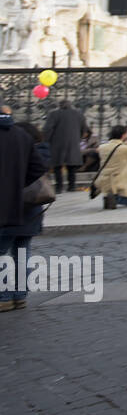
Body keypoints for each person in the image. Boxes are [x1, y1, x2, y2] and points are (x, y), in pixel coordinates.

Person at [0, 116, 48, 313]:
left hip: (4, 209)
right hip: (29, 209)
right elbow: (38, 168)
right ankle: (20, 296)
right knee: (23, 253)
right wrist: (19, 183)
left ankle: (3, 297)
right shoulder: (22, 135)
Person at [95, 125, 127, 210]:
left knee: (123, 195)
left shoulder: (102, 147)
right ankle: (115, 199)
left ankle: (111, 196)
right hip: (120, 181)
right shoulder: (125, 149)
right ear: (123, 135)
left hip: (106, 180)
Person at [43, 99, 87, 194]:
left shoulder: (54, 114)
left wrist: (46, 140)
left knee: (57, 166)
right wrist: (78, 139)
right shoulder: (79, 114)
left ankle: (59, 187)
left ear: (60, 105)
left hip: (57, 142)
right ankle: (72, 185)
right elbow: (84, 129)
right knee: (72, 166)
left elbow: (48, 129)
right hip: (73, 142)